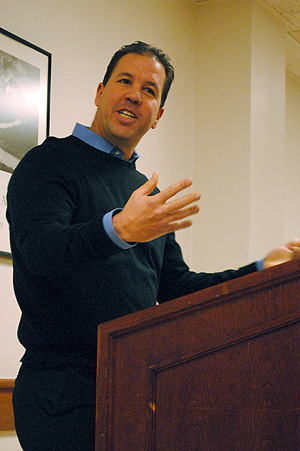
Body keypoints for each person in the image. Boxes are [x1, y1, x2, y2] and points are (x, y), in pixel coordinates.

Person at [6, 41, 300, 450]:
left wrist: (261, 271)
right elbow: (40, 252)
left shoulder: (146, 196)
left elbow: (175, 287)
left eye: (149, 90)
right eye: (124, 81)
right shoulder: (46, 162)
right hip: (60, 391)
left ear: (158, 115)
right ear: (100, 91)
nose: (133, 94)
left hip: (137, 383)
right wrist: (119, 229)